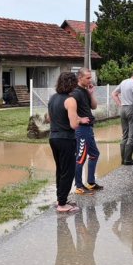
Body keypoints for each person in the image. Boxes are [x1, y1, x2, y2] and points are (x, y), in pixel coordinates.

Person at [48, 72, 89, 213]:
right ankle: (62, 205)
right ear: (72, 83)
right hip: (66, 139)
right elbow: (73, 125)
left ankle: (61, 199)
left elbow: (49, 118)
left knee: (60, 170)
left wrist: (78, 118)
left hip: (53, 137)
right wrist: (79, 120)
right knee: (68, 171)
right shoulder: (70, 100)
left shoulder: (53, 98)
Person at [71, 68, 104, 195]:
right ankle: (79, 186)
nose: (91, 80)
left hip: (88, 129)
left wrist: (91, 93)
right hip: (81, 130)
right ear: (80, 78)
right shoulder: (75, 93)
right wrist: (79, 119)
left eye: (91, 77)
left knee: (94, 154)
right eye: (88, 78)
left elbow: (94, 106)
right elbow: (67, 108)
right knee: (80, 158)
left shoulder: (85, 91)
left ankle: (90, 182)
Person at [112, 69, 133, 165]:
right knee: (132, 136)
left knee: (125, 135)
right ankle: (128, 159)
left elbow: (114, 94)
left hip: (123, 108)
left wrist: (120, 104)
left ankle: (123, 159)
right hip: (131, 108)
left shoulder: (124, 82)